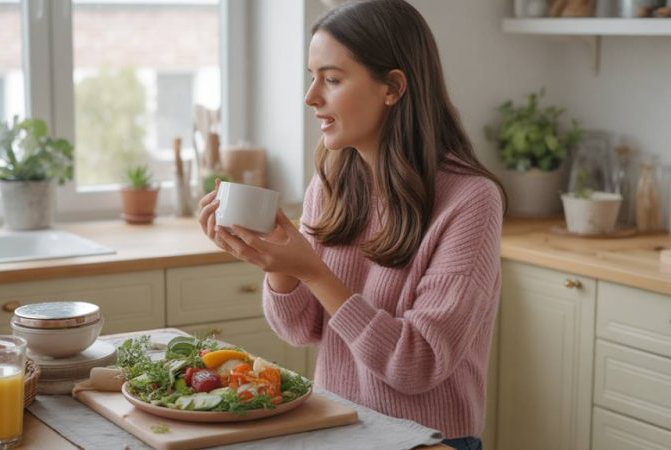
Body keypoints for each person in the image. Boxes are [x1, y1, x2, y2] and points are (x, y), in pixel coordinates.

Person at [198, 1, 505, 449]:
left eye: (333, 79)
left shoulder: (470, 200)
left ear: (393, 87)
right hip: (340, 429)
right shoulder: (333, 182)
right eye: (312, 76)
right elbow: (301, 330)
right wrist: (275, 261)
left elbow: (417, 364)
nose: (311, 97)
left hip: (430, 441)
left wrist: (313, 271)